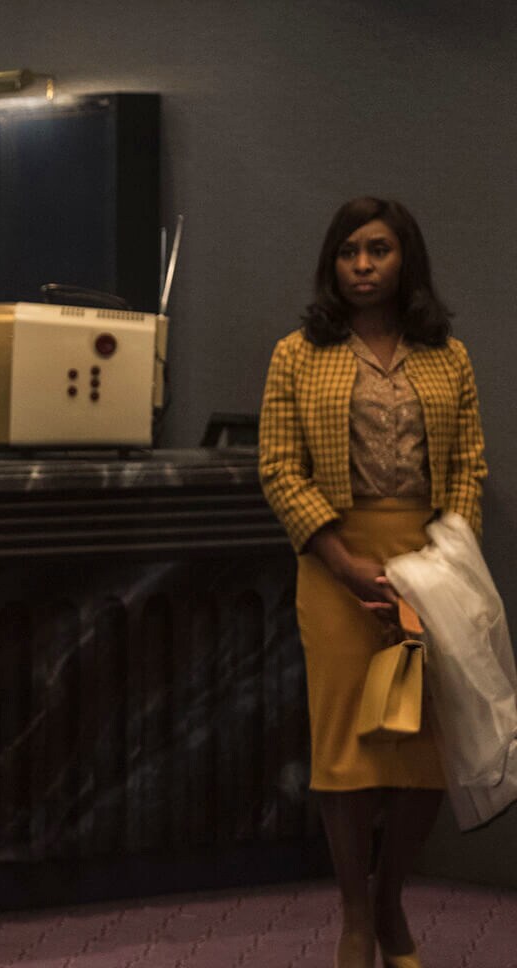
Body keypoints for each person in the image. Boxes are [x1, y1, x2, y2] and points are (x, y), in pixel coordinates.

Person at [258, 197, 484, 968]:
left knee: (423, 749)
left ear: (404, 260)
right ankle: (356, 915)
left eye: (378, 250)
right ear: (332, 263)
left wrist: (443, 565)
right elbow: (280, 469)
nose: (362, 265)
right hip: (335, 568)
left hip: (428, 569)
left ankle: (391, 902)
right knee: (347, 749)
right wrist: (346, 565)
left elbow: (469, 469)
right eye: (349, 251)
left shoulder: (445, 354)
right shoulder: (297, 354)